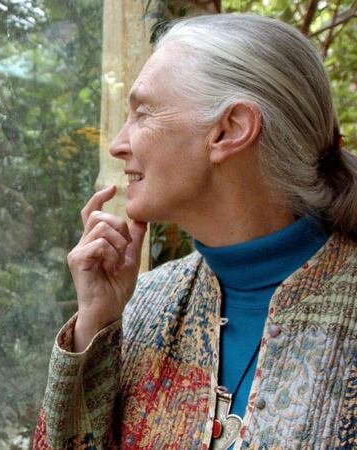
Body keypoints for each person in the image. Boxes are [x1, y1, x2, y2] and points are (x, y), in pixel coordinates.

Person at [32, 13, 357, 450]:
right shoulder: (140, 304)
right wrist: (95, 324)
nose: (118, 143)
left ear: (230, 129)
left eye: (142, 113)